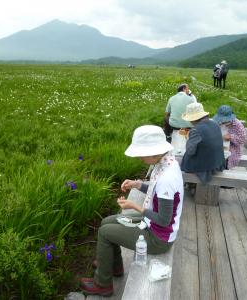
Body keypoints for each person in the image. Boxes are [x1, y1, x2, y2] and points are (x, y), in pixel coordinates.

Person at [79, 125, 184, 296]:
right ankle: (114, 266)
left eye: (142, 154)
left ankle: (102, 284)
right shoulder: (167, 162)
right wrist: (137, 184)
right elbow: (156, 190)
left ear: (154, 151)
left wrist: (135, 206)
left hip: (158, 237)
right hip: (153, 225)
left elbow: (164, 220)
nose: (140, 158)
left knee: (105, 232)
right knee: (106, 222)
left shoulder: (167, 177)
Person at [180, 102, 225, 184]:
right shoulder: (215, 124)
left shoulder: (195, 130)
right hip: (218, 163)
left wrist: (188, 139)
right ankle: (192, 185)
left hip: (206, 168)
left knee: (180, 161)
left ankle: (190, 185)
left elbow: (190, 151)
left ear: (193, 119)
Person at [164, 83, 196, 155]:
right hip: (189, 125)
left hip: (174, 126)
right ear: (184, 89)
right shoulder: (190, 98)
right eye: (187, 88)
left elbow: (166, 113)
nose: (188, 90)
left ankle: (168, 134)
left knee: (166, 117)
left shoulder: (171, 98)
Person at [213, 105, 247, 169]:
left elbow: (243, 140)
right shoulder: (217, 122)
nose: (223, 121)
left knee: (225, 161)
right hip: (219, 147)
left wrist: (231, 137)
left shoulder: (237, 125)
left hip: (232, 149)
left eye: (225, 120)